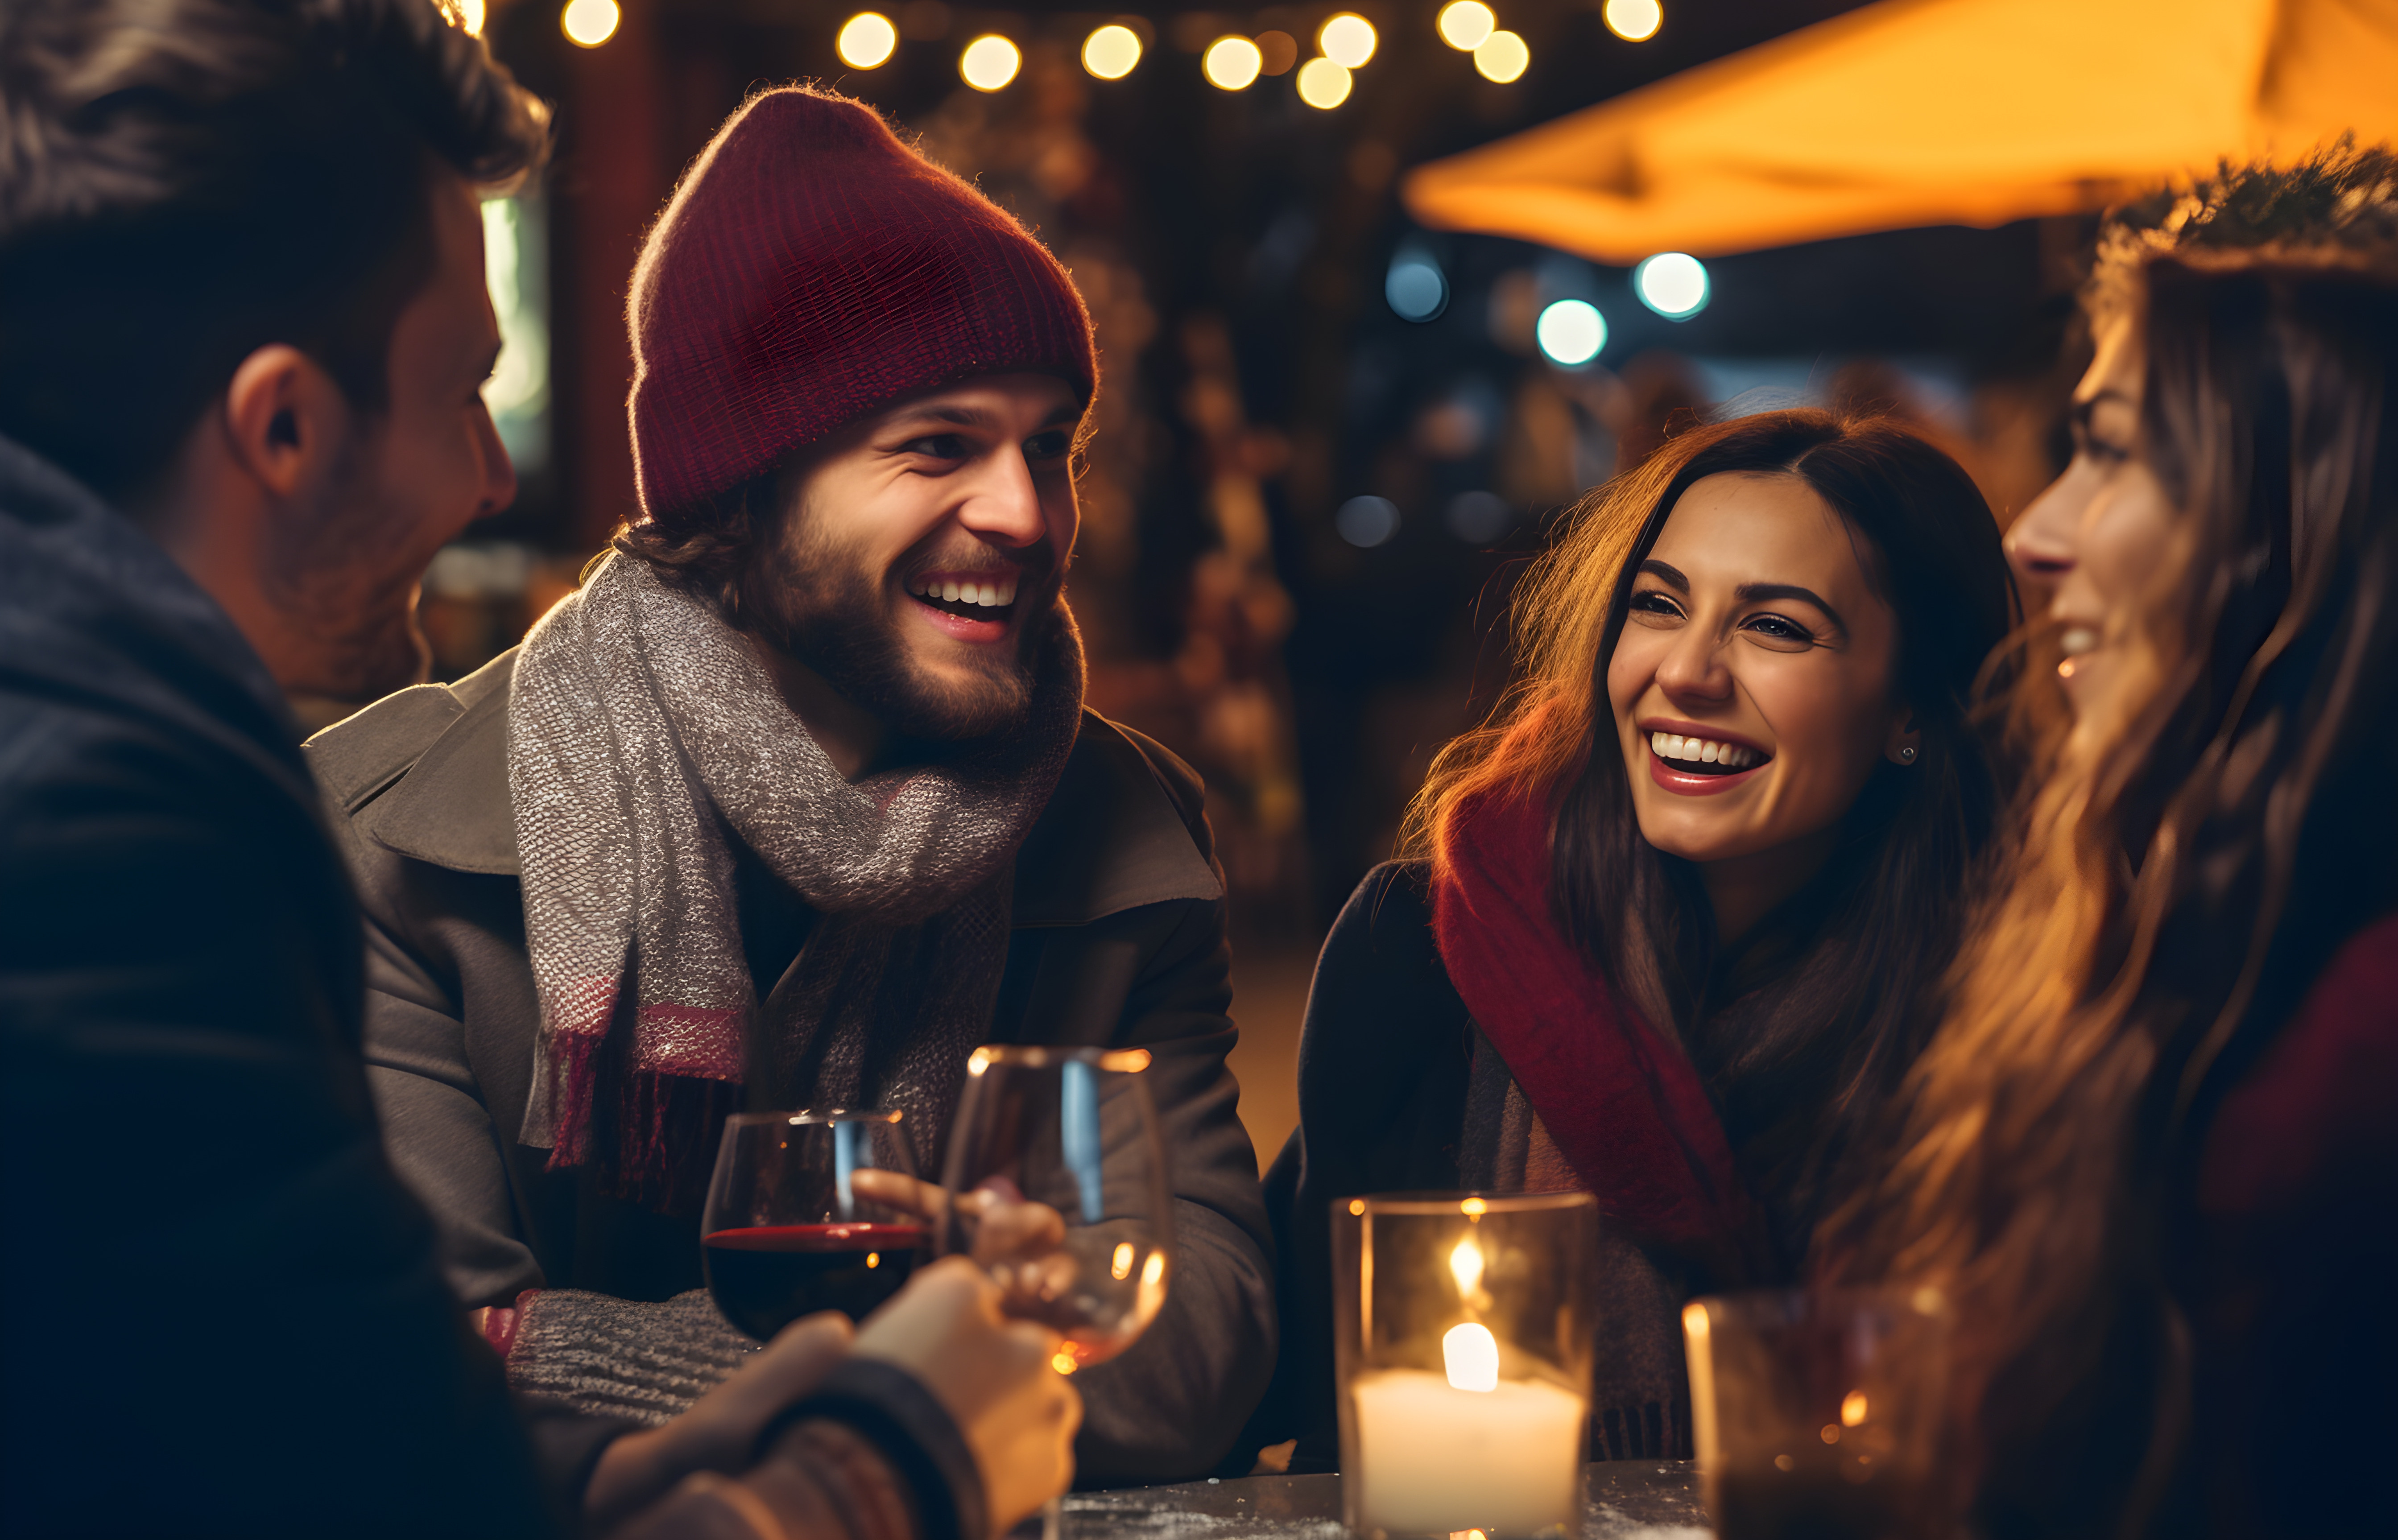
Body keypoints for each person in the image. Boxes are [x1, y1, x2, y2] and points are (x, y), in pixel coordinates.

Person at [0, 0, 1075, 1535]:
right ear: (280, 427)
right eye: (460, 396)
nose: (493, 488)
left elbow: (300, 1418)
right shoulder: (110, 836)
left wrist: (628, 1454)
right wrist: (886, 1461)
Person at [308, 84, 1274, 1485]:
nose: (1023, 512)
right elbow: (410, 1379)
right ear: (740, 497)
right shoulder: (391, 839)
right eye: (937, 444)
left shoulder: (1126, 836)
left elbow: (1202, 1357)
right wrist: (945, 1348)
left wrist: (570, 1346)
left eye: (1047, 445)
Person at [1252, 411, 2015, 1469]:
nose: (1688, 672)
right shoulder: (1426, 948)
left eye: (1779, 627)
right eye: (1658, 606)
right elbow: (1286, 1375)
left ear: (1913, 713)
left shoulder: (2006, 1022)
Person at [1823, 148, 2398, 1540]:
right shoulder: (2196, 909)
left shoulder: (2357, 1046)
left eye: (2116, 448)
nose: (2034, 533)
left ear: (2304, 502)